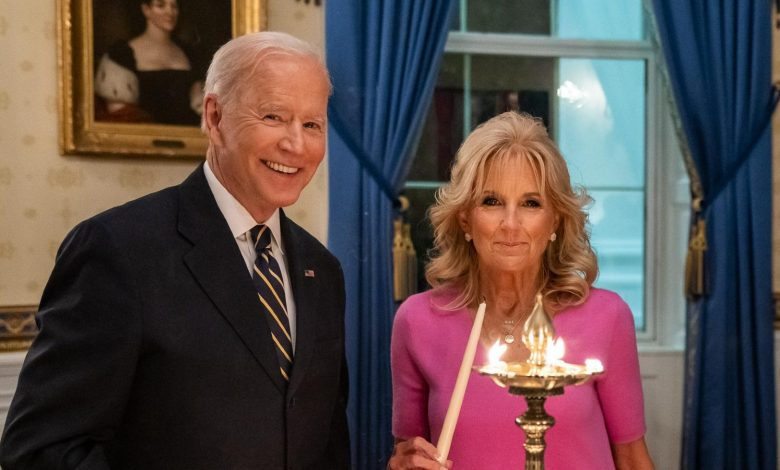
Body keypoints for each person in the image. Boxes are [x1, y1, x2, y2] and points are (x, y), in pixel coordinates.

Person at [0, 31, 349, 469]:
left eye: (312, 125)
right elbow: (41, 450)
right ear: (215, 117)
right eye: (273, 117)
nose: (296, 144)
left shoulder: (322, 269)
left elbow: (327, 442)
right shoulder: (118, 250)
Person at [388, 111, 654, 469]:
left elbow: (632, 460)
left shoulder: (607, 318)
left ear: (555, 219)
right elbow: (410, 456)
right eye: (491, 201)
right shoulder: (418, 321)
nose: (510, 224)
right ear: (465, 218)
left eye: (531, 203)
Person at [94, 0, 203, 125]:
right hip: (142, 134)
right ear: (146, 10)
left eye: (174, 6)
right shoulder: (122, 54)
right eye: (161, 6)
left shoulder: (189, 53)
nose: (170, 12)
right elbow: (119, 118)